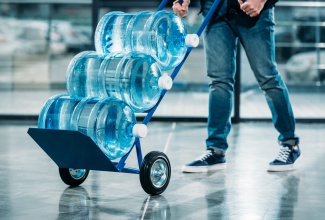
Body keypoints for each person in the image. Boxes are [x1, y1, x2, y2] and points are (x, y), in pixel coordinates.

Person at [172, 0, 301, 172]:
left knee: (268, 78)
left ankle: (290, 143)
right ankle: (215, 150)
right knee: (219, 82)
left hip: (252, 7)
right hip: (214, 8)